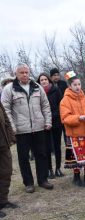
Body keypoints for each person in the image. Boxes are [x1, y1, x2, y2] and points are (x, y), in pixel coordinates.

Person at [2, 63, 53, 193]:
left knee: (41, 154)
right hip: (21, 130)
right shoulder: (9, 89)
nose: (25, 74)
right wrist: (12, 127)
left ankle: (43, 180)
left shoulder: (37, 87)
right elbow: (5, 110)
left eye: (26, 72)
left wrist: (47, 121)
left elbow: (45, 106)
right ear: (16, 74)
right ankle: (28, 183)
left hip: (38, 128)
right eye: (21, 72)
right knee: (23, 157)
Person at [60, 71, 85, 186]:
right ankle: (76, 176)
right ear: (69, 86)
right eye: (75, 85)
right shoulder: (65, 100)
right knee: (76, 156)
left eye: (79, 84)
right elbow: (65, 118)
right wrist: (78, 118)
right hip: (74, 134)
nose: (77, 87)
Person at [37, 73, 64, 179]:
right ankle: (49, 169)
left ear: (49, 80)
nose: (43, 81)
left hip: (56, 121)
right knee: (47, 147)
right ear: (39, 82)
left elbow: (60, 105)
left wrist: (53, 116)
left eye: (45, 79)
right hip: (44, 123)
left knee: (57, 146)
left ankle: (58, 168)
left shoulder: (56, 90)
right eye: (41, 80)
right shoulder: (37, 92)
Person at [0, 102, 17, 218]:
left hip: (3, 143)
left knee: (6, 171)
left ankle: (3, 200)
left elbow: (5, 118)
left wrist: (11, 136)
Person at [50, 67, 68, 144]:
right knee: (55, 135)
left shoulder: (63, 83)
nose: (56, 77)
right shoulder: (49, 85)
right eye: (54, 75)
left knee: (66, 131)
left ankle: (68, 146)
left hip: (64, 110)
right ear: (51, 77)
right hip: (54, 113)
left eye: (57, 75)